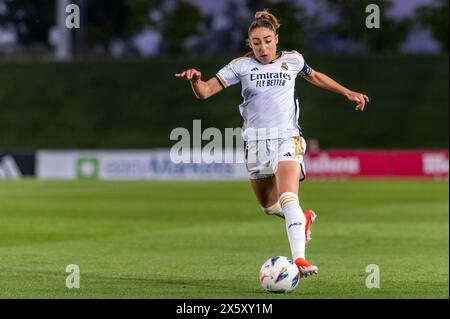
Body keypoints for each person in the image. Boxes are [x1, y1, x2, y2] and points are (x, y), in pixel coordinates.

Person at [175, 10, 369, 277]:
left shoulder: (293, 60)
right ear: (249, 43)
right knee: (269, 206)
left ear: (276, 38)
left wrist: (347, 92)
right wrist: (196, 81)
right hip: (254, 143)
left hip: (286, 138)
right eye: (256, 42)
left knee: (288, 196)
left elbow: (315, 76)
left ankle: (299, 259)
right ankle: (303, 219)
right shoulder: (240, 66)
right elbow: (206, 92)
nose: (262, 47)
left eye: (267, 40)